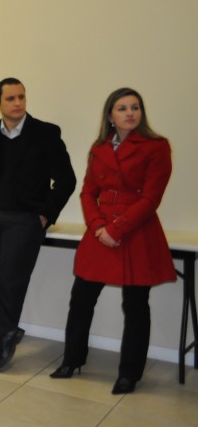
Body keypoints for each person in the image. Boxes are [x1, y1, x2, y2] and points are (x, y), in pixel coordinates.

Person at [50, 88, 174, 394]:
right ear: (110, 115)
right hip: (100, 229)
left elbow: (151, 198)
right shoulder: (99, 147)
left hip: (136, 230)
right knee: (81, 299)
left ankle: (129, 373)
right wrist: (97, 226)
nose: (130, 113)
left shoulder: (156, 146)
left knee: (135, 305)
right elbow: (87, 192)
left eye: (135, 107)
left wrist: (117, 229)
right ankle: (72, 360)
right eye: (122, 108)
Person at [0, 78, 76, 375]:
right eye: (10, 98)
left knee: (10, 284)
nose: (18, 103)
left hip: (25, 218)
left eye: (21, 97)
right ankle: (5, 329)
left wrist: (45, 215)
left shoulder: (46, 132)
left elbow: (67, 180)